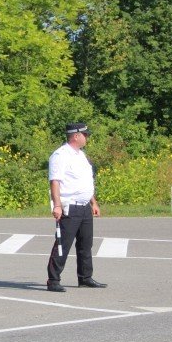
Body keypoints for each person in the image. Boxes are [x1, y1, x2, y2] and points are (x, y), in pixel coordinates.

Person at [46, 122, 107, 293]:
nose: (87, 137)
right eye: (85, 135)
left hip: (84, 206)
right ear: (76, 136)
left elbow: (84, 182)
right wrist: (57, 205)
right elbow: (55, 182)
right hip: (69, 206)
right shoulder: (60, 155)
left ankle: (85, 277)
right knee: (62, 244)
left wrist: (93, 202)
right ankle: (53, 279)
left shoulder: (81, 155)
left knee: (85, 244)